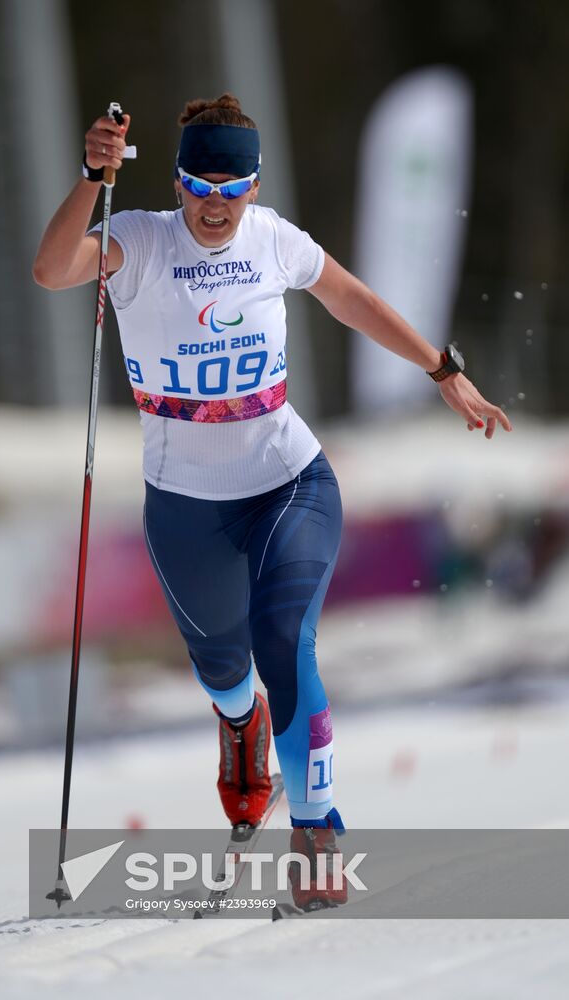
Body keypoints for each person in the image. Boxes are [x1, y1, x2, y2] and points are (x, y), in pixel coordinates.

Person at [33, 93, 511, 911]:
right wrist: (89, 179)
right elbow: (52, 270)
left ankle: (319, 826)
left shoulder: (273, 240)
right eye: (199, 185)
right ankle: (239, 721)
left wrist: (442, 369)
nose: (215, 205)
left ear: (254, 184)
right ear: (178, 180)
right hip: (185, 504)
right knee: (223, 667)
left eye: (233, 186)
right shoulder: (141, 238)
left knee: (285, 634)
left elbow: (354, 300)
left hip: (289, 481)